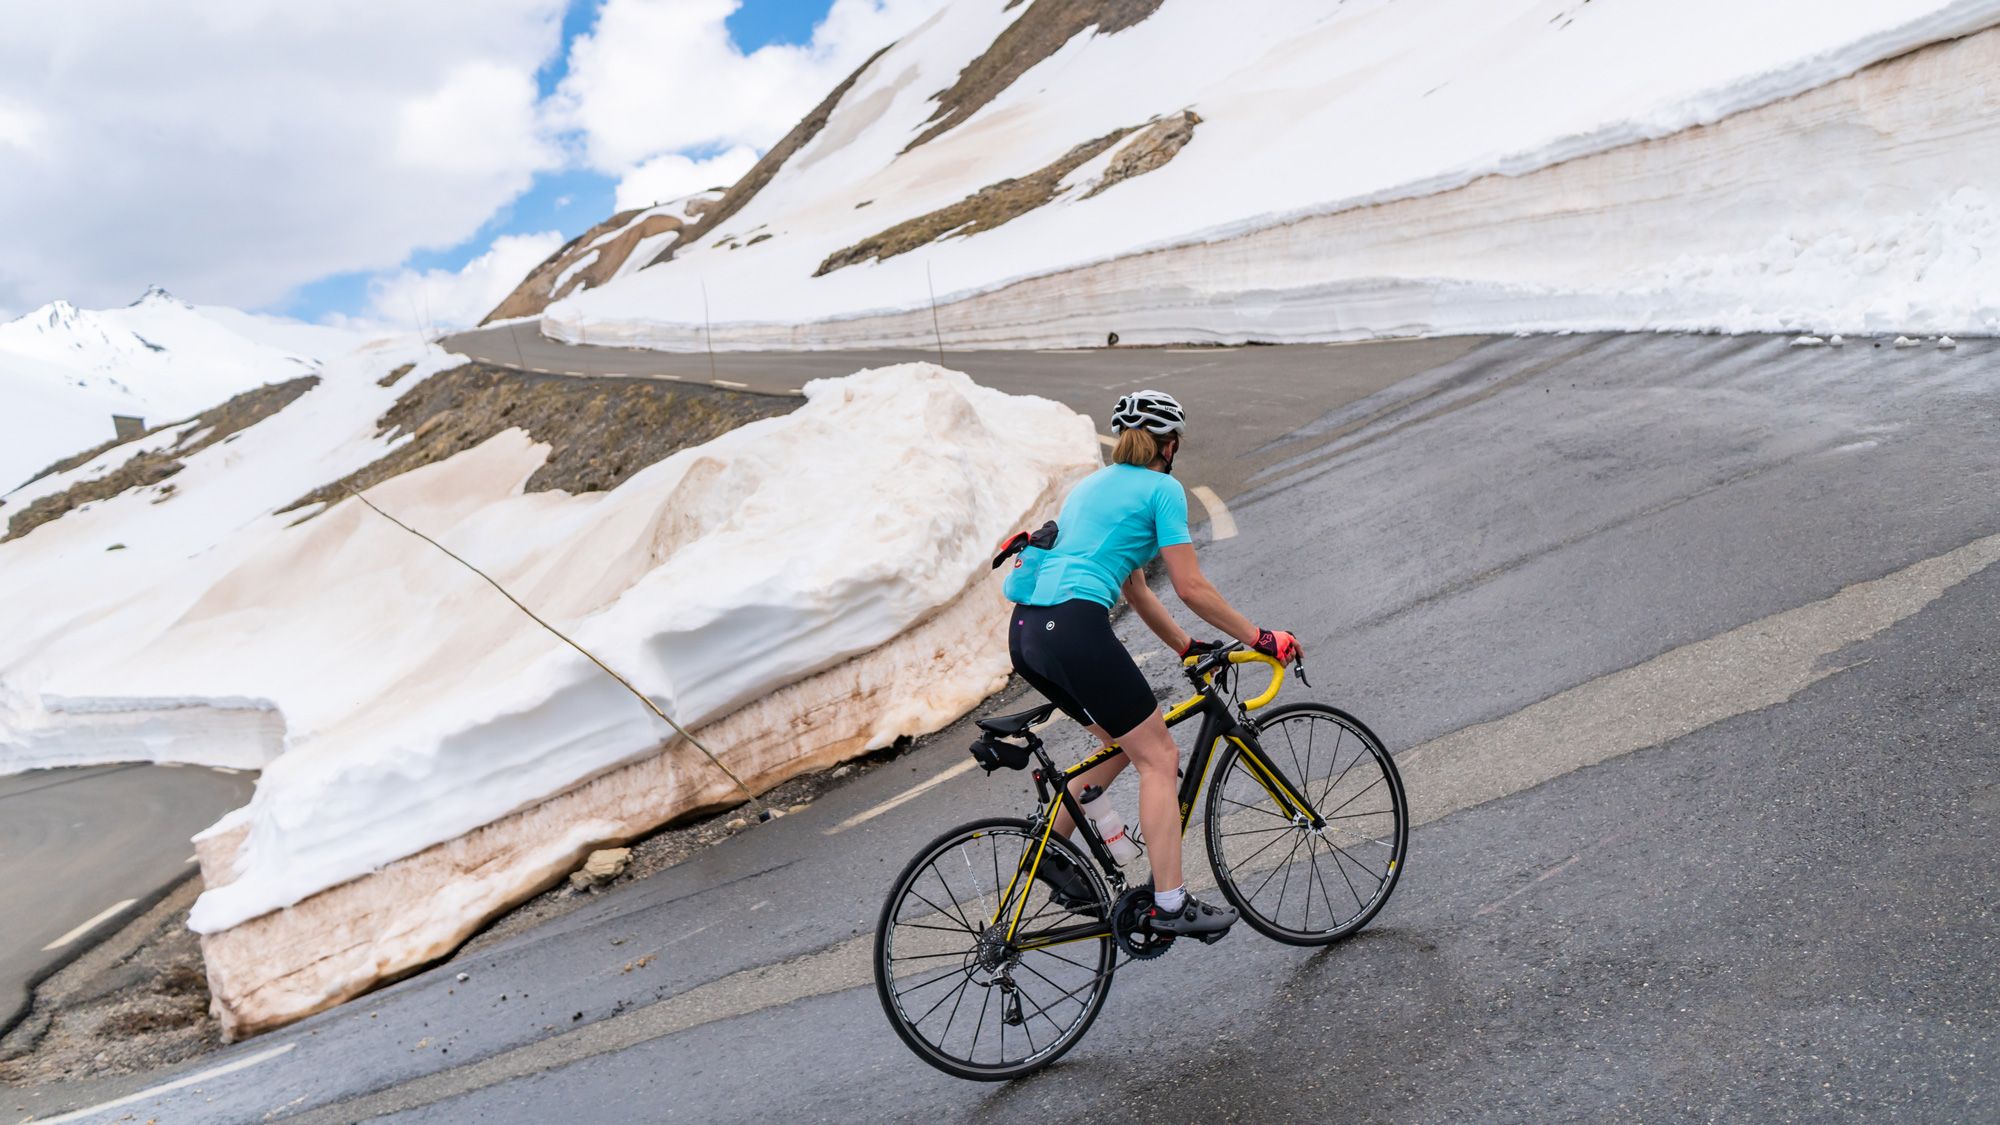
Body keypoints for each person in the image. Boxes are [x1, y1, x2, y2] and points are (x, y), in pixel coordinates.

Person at [1000, 389, 1300, 938]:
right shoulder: (1163, 490)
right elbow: (1189, 584)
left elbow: (1136, 587)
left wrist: (1186, 647)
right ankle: (1171, 902)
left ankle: (1051, 849)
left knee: (1122, 742)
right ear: (1170, 444)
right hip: (1071, 627)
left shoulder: (1088, 488)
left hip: (1025, 634)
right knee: (1159, 757)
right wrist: (1258, 637)